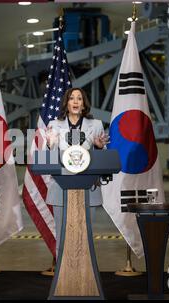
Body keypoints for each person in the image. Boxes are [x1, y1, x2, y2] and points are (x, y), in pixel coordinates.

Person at [45, 87, 109, 257]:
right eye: (71, 98)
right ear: (66, 103)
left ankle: (85, 277)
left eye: (79, 98)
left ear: (83, 104)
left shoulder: (96, 125)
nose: (75, 101)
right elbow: (49, 158)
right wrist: (50, 144)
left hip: (88, 187)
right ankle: (61, 277)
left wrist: (99, 147)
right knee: (62, 235)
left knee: (84, 235)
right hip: (61, 186)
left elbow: (103, 159)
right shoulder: (54, 125)